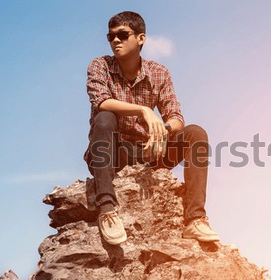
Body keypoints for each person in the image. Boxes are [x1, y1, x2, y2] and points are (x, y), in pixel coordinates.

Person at [84, 11, 219, 245]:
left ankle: (195, 220)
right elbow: (101, 101)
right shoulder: (100, 65)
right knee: (105, 117)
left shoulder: (159, 72)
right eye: (111, 36)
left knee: (196, 133)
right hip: (113, 153)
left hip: (150, 153)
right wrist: (144, 110)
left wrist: (163, 131)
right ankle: (107, 209)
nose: (115, 40)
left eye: (123, 35)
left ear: (141, 38)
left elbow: (176, 116)